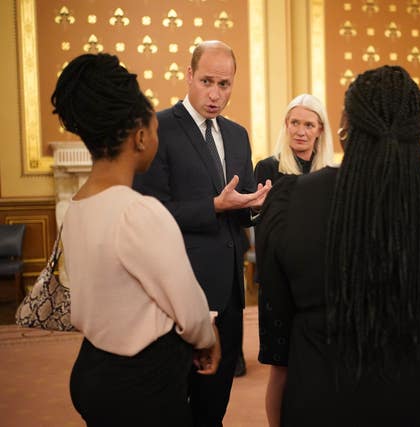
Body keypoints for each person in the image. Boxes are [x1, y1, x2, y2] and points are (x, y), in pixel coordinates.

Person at [257, 65, 420, 426]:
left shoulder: (297, 199)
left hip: (326, 390)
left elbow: (277, 305)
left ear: (346, 127)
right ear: (419, 129)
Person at [53, 53, 220, 426]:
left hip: (92, 367)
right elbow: (189, 310)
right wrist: (208, 337)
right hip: (141, 381)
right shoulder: (138, 212)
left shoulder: (78, 206)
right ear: (141, 137)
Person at [133, 40, 271, 426]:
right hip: (176, 291)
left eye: (224, 84)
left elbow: (238, 216)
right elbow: (150, 214)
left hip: (228, 292)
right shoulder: (158, 127)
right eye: (207, 81)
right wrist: (213, 207)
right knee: (174, 403)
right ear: (189, 75)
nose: (215, 93)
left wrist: (254, 208)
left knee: (215, 403)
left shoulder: (238, 134)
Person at [254, 93, 334, 184]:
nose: (300, 132)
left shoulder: (329, 174)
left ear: (320, 130)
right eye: (295, 123)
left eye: (309, 125)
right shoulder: (267, 168)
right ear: (287, 124)